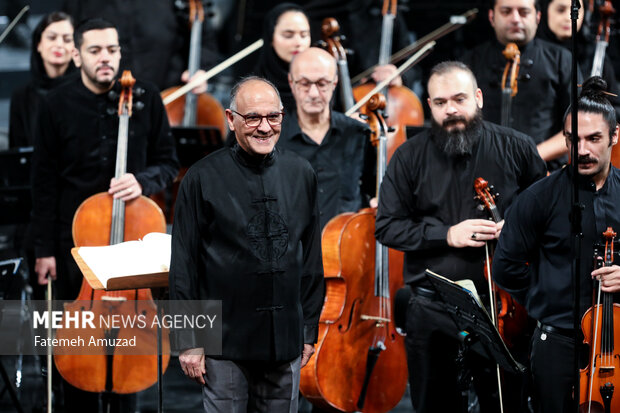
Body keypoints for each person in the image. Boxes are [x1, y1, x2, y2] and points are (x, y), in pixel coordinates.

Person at [374, 61, 547, 413]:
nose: (450, 109)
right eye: (440, 103)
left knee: (505, 405)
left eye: (459, 99)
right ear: (430, 105)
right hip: (432, 308)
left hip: (502, 311)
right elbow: (386, 226)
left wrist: (515, 229)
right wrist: (447, 234)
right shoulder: (408, 156)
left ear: (479, 98)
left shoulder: (518, 147)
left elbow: (547, 218)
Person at [31, 18, 179, 412]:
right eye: (95, 51)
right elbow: (43, 182)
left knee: (131, 353)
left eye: (112, 50)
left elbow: (168, 163)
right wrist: (43, 249)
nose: (105, 58)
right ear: (78, 55)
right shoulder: (54, 104)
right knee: (77, 360)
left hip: (132, 245)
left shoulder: (145, 97)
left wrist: (143, 181)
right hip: (73, 244)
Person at [169, 76, 324, 413]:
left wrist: (308, 331)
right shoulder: (200, 177)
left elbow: (311, 259)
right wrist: (189, 341)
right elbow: (184, 265)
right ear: (231, 119)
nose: (264, 127)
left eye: (273, 117)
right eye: (253, 117)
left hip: (284, 340)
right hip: (224, 340)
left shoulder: (302, 173)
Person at [493, 76, 620, 413]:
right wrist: (546, 294)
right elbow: (505, 266)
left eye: (594, 139)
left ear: (614, 137)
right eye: (573, 139)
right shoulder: (538, 197)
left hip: (617, 342)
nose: (582, 150)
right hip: (557, 341)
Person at [462, 0, 579, 171]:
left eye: (524, 12)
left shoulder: (561, 59)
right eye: (506, 11)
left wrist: (530, 156)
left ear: (538, 17)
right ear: (492, 17)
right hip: (482, 171)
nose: (515, 19)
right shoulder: (471, 61)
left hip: (544, 172)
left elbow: (578, 125)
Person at [277, 47, 375, 229]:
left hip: (346, 247)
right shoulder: (274, 137)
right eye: (305, 83)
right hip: (292, 250)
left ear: (334, 83)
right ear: (291, 83)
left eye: (322, 84)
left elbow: (374, 188)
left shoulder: (358, 133)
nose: (314, 93)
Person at [62, 0, 218, 94]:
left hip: (167, 101)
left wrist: (200, 70)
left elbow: (205, 40)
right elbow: (67, 40)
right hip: (97, 103)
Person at [538, 0, 620, 119]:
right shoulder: (533, 53)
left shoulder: (595, 55)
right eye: (560, 10)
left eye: (575, 10)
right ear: (545, 11)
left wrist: (598, 113)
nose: (568, 17)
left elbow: (617, 106)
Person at [9, 12, 76, 148]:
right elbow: (17, 154)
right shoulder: (21, 97)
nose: (59, 45)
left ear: (76, 48)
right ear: (38, 44)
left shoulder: (86, 92)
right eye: (52, 38)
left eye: (67, 39)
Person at [254, 3, 312, 113]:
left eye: (304, 35)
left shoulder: (323, 82)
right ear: (271, 37)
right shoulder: (253, 89)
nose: (298, 43)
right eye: (288, 35)